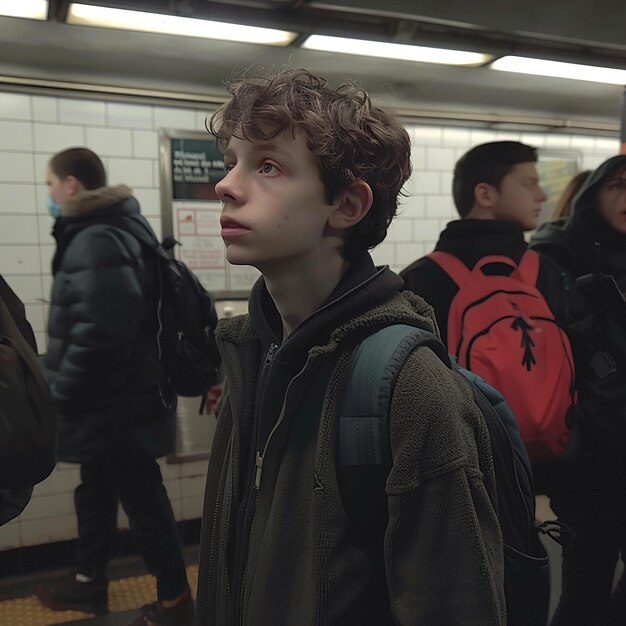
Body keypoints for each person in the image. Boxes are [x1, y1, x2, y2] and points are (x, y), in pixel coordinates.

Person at [196, 69, 505, 625]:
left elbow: (456, 604)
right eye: (231, 163)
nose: (227, 185)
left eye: (267, 166)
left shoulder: (410, 389)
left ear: (347, 206)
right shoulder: (252, 354)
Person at [35, 148, 193, 626]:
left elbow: (103, 329)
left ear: (70, 185)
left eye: (49, 185)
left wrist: (60, 390)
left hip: (113, 401)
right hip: (118, 397)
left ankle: (173, 600)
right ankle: (88, 581)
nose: (48, 196)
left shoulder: (98, 237)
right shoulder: (107, 230)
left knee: (142, 499)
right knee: (97, 490)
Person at [530, 155, 626, 626]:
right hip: (590, 460)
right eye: (619, 186)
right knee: (586, 582)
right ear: (595, 194)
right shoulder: (558, 262)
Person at [401, 141, 563, 346]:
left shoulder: (417, 280)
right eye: (529, 183)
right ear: (485, 194)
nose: (542, 195)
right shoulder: (548, 274)